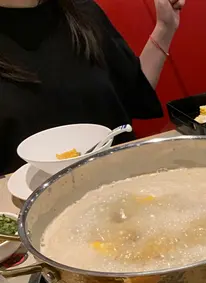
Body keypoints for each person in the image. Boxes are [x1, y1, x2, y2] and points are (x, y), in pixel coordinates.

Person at [0, 0, 185, 174]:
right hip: (28, 196)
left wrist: (165, 27)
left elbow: (135, 95)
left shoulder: (82, 12)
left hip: (125, 182)